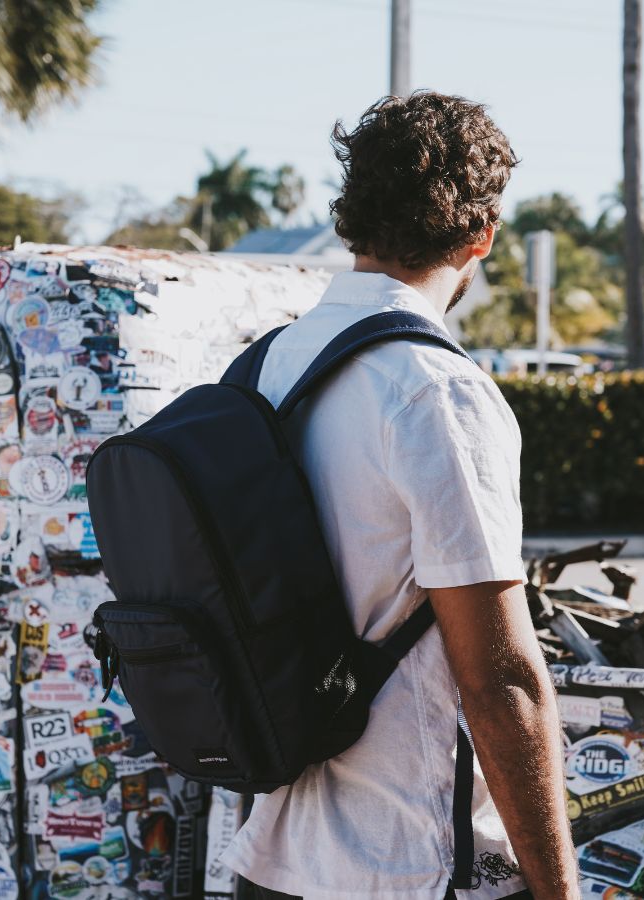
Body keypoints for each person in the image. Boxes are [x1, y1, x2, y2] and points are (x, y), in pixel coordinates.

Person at [220, 91, 580, 900]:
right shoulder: (436, 392)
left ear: (351, 220)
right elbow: (500, 682)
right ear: (482, 234)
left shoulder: (265, 368)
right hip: (408, 864)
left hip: (271, 859)